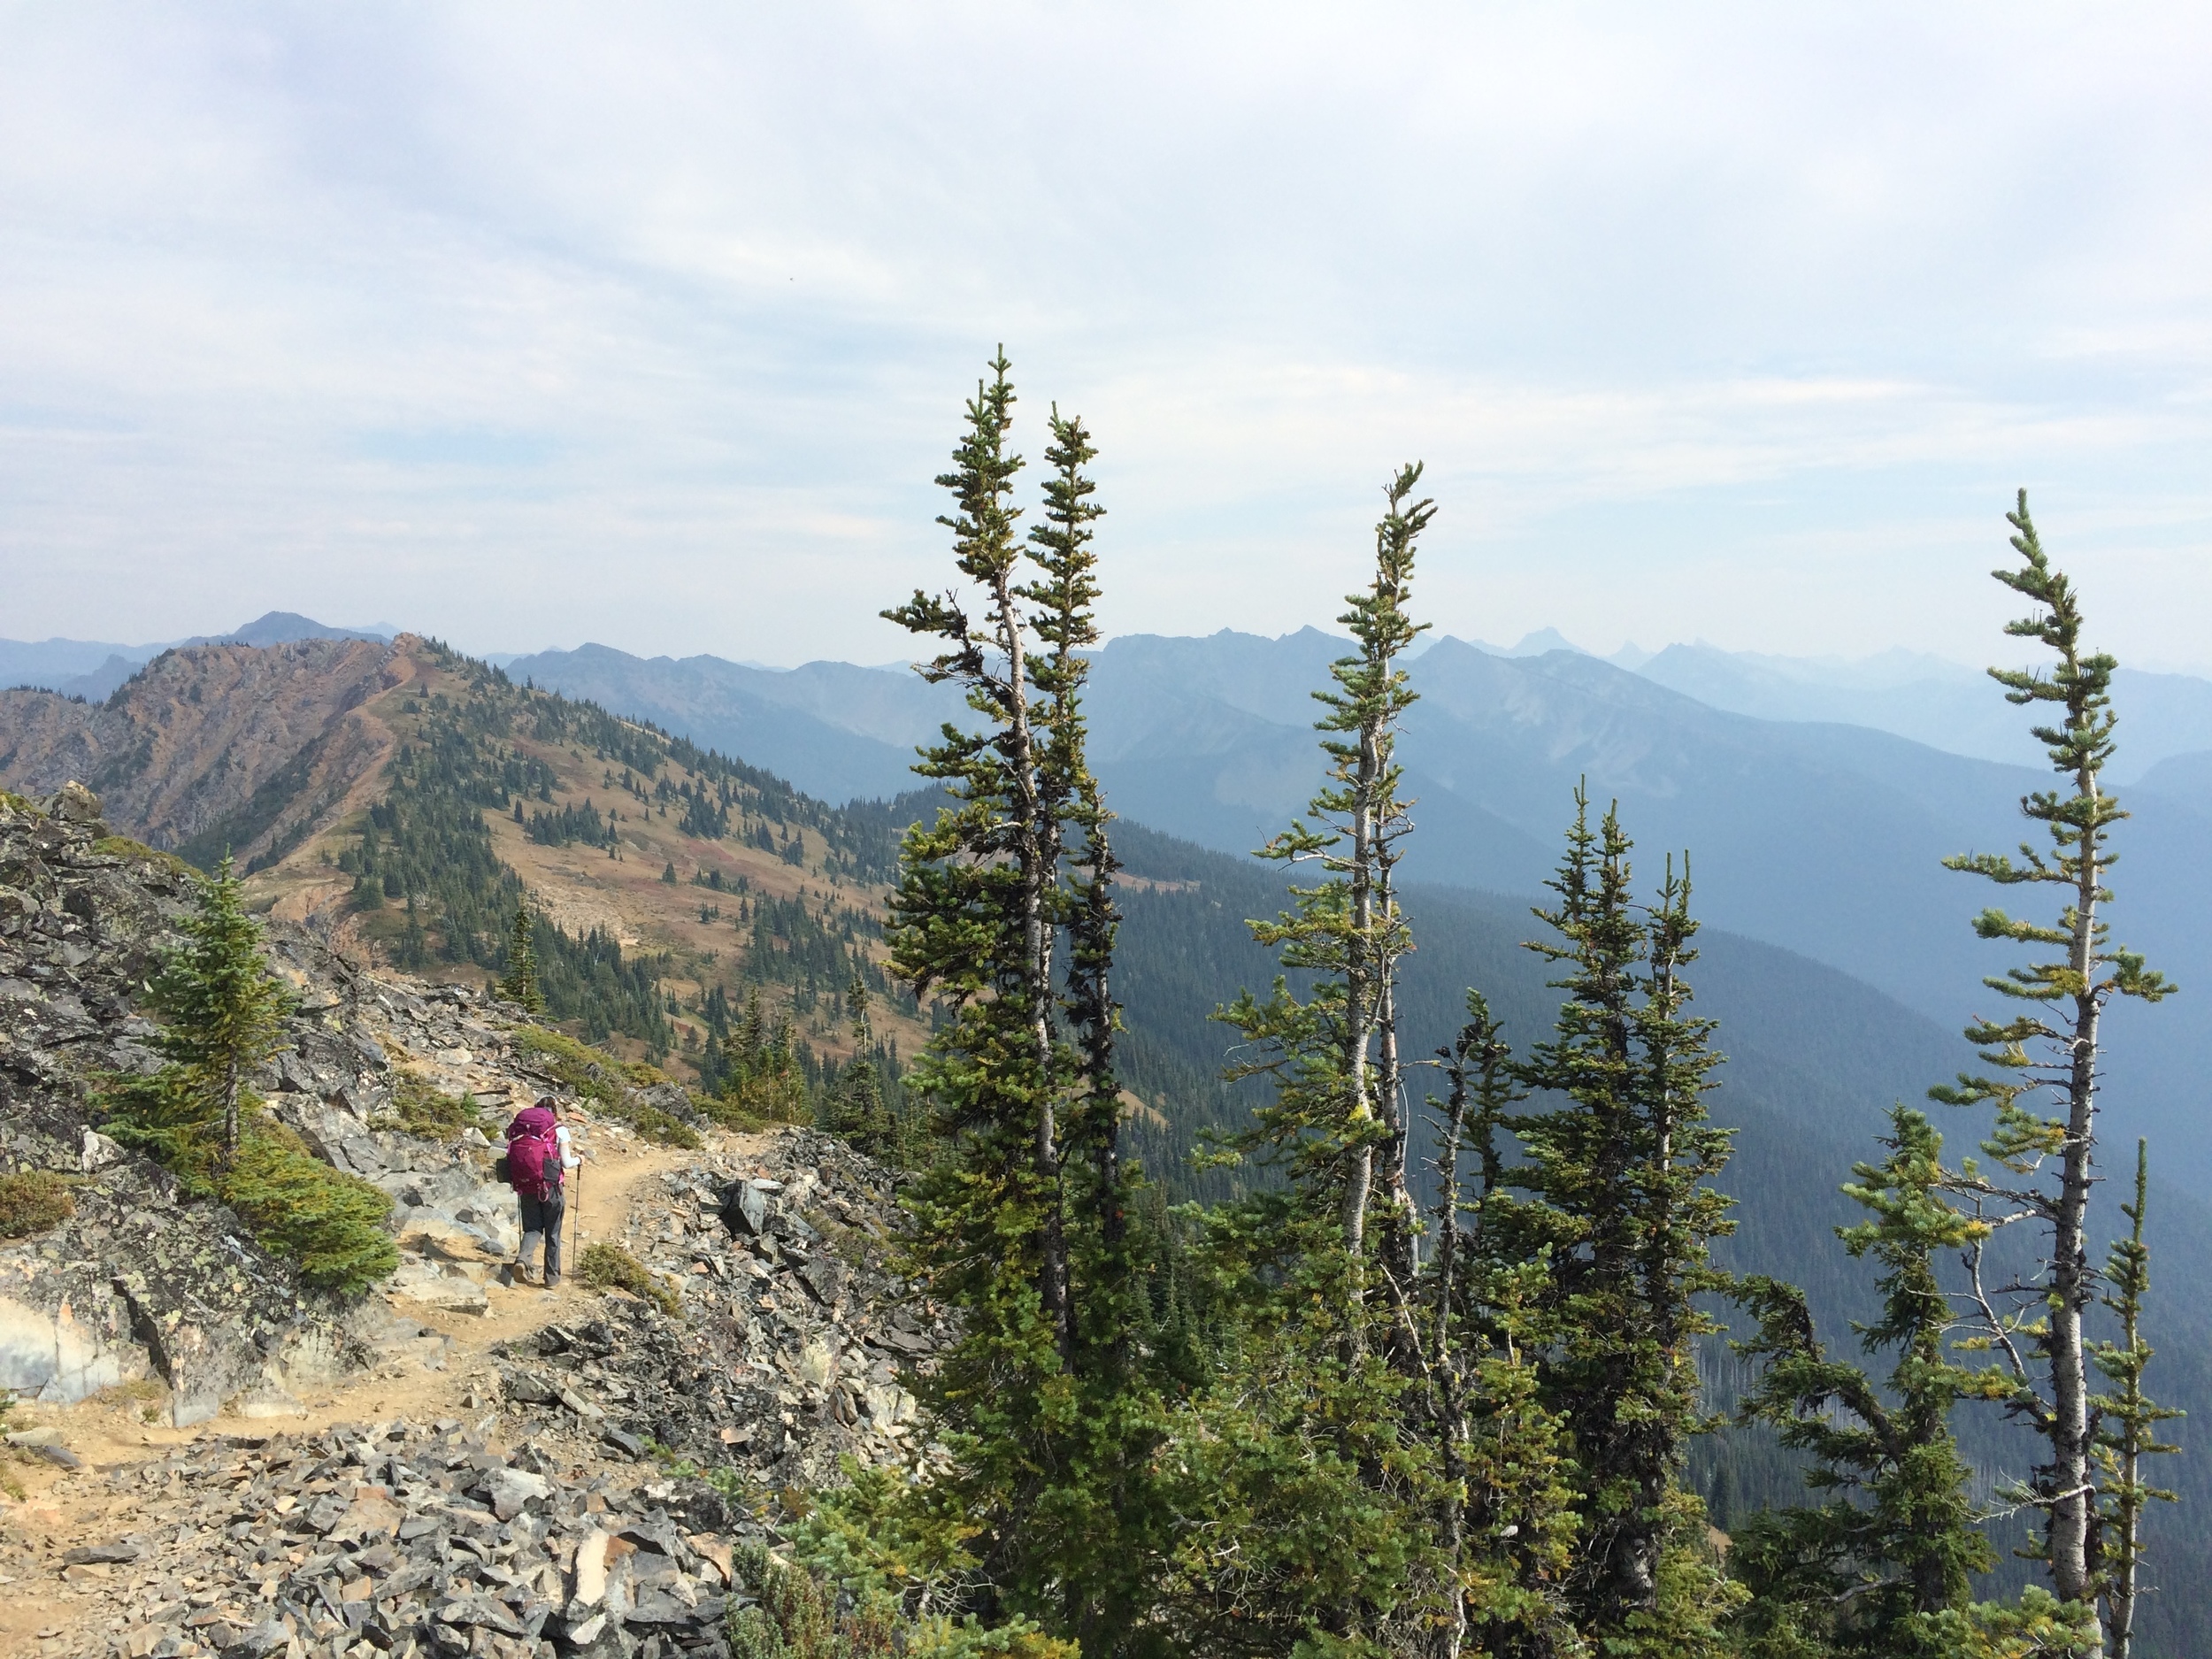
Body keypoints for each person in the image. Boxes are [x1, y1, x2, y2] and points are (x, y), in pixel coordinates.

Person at [504, 1096, 576, 1288]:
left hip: (526, 1186)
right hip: (551, 1188)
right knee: (553, 1232)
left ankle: (522, 1260)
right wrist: (579, 1161)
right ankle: (551, 1279)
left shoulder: (521, 1130)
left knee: (533, 1229)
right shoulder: (559, 1130)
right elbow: (567, 1163)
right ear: (554, 1112)